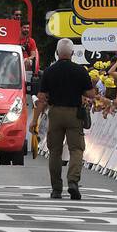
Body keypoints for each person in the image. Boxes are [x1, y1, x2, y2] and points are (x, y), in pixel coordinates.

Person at [33, 38, 97, 200]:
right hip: (74, 114)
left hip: (55, 113)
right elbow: (91, 94)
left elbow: (41, 97)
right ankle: (73, 181)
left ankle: (56, 189)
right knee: (76, 149)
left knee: (55, 151)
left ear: (56, 53)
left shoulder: (49, 71)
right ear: (73, 53)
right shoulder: (80, 70)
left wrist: (35, 120)